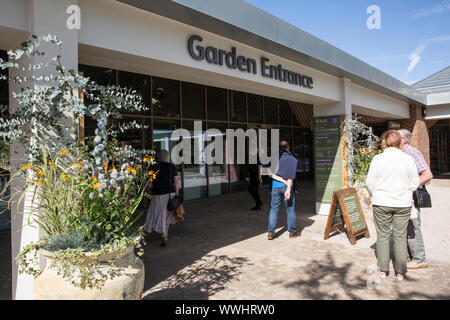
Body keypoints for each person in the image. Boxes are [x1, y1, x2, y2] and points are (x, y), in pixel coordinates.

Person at [366, 130, 420, 281]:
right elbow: (415, 183)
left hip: (381, 201)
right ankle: (401, 272)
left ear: (384, 142)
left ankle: (383, 270)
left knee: (382, 236)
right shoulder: (408, 159)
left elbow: (370, 182)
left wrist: (376, 194)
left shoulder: (378, 159)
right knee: (400, 237)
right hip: (402, 202)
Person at [398, 129, 433, 269]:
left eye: (397, 136)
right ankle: (407, 255)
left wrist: (411, 186)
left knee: (413, 225)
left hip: (410, 195)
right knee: (404, 225)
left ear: (404, 139)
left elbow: (427, 174)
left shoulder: (412, 153)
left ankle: (420, 259)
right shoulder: (401, 154)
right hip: (402, 196)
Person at [144, 149, 179, 247]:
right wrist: (176, 195)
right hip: (170, 194)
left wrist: (148, 191)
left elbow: (149, 183)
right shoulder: (172, 167)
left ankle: (148, 231)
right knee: (167, 216)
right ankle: (164, 236)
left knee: (154, 213)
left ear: (159, 158)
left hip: (157, 195)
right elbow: (176, 182)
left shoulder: (154, 167)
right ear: (168, 157)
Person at [267, 141, 301, 240]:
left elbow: (269, 174)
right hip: (287, 187)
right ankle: (292, 233)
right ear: (288, 147)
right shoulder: (292, 160)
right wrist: (288, 188)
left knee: (273, 209)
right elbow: (291, 177)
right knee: (290, 210)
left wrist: (279, 179)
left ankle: (270, 233)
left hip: (275, 187)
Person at [247, 146, 263, 211]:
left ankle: (258, 204)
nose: (249, 151)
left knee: (253, 190)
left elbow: (260, 167)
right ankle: (259, 202)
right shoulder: (251, 157)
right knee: (253, 190)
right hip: (252, 176)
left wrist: (259, 177)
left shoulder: (257, 157)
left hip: (256, 176)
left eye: (250, 149)